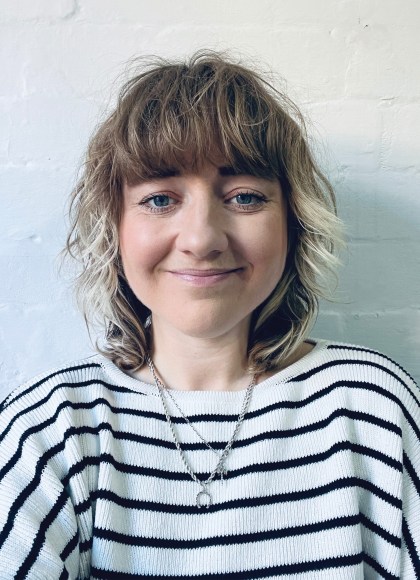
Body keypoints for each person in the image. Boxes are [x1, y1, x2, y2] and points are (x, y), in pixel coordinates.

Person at [0, 51, 419, 579]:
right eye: (158, 200)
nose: (201, 240)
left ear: (293, 222)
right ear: (116, 228)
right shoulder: (49, 430)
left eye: (244, 197)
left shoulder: (372, 407)